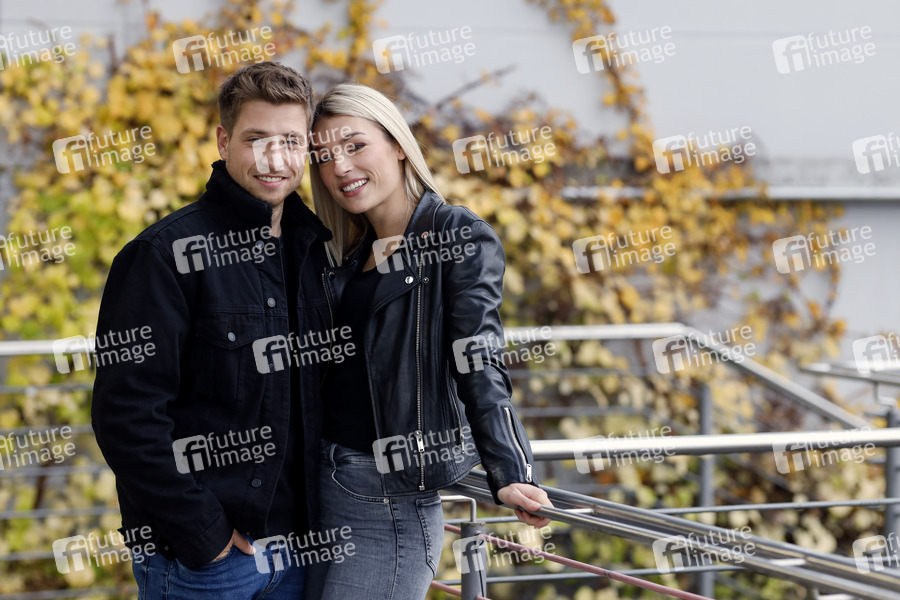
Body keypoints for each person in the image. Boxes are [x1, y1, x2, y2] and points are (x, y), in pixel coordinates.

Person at [91, 62, 332, 599]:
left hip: (300, 554)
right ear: (224, 141)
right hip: (207, 565)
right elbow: (125, 415)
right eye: (256, 139)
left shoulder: (317, 251)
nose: (275, 159)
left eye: (291, 141)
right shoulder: (163, 255)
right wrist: (206, 536)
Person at [306, 82, 552, 599]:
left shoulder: (455, 234)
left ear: (398, 145)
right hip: (324, 489)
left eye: (355, 146)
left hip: (387, 501)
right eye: (324, 157)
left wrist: (510, 468)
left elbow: (477, 357)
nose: (340, 167)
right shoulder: (348, 251)